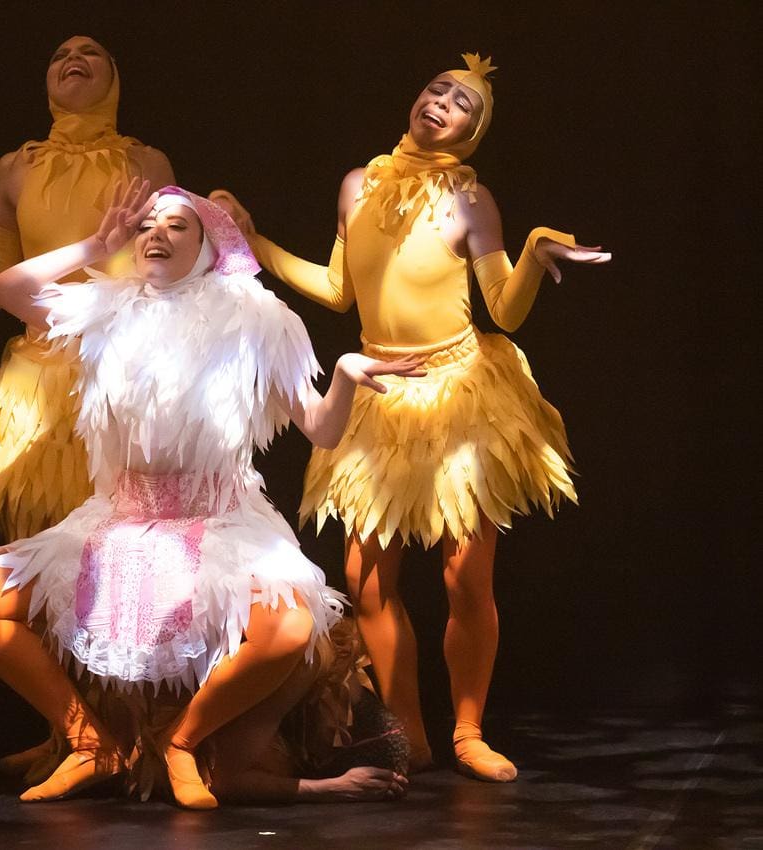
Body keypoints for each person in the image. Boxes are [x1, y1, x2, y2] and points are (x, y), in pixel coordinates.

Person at [0, 179, 423, 809]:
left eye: (178, 225)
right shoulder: (107, 306)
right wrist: (95, 243)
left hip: (218, 519)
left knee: (288, 627)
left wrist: (343, 376)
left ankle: (182, 744)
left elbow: (322, 428)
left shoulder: (257, 318)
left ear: (208, 245)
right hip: (119, 519)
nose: (158, 233)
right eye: (148, 224)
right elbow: (7, 288)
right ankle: (87, 740)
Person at [210, 54, 611, 782]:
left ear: (472, 132)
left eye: (462, 103)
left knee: (465, 578)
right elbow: (337, 291)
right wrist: (253, 239)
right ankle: (411, 736)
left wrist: (531, 250)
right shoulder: (358, 185)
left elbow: (505, 310)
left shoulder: (470, 200)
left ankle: (467, 731)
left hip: (458, 393)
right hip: (377, 396)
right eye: (437, 89)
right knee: (367, 582)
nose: (443, 102)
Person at [0, 35, 175, 542]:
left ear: (114, 78)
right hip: (37, 376)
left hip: (118, 372)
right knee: (34, 548)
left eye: (89, 52)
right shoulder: (14, 168)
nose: (73, 59)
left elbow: (173, 269)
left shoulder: (147, 164)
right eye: (59, 55)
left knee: (116, 548)